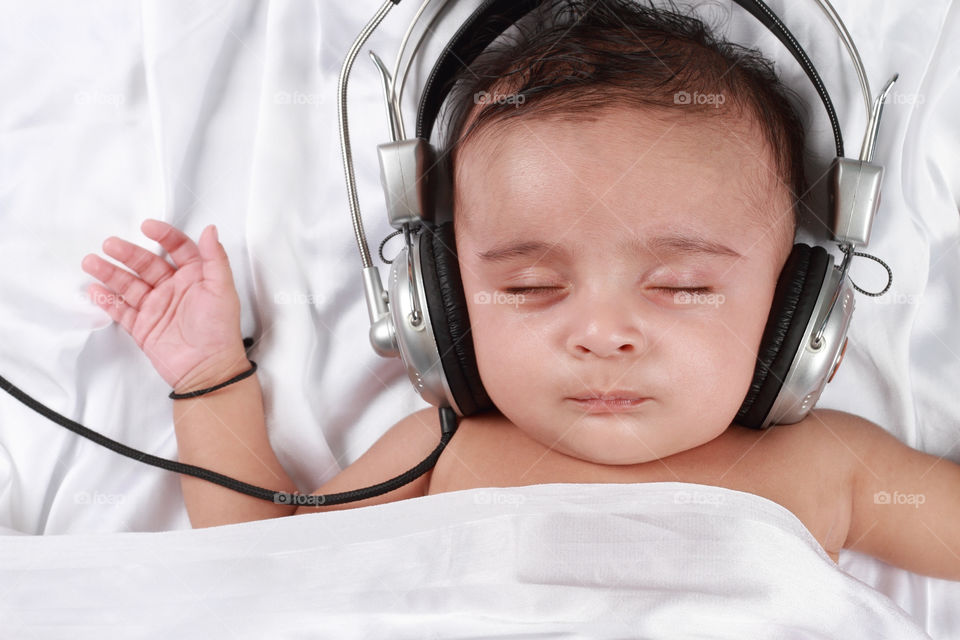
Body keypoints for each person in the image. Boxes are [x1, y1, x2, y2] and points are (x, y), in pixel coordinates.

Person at [80, 0, 959, 580]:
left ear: (799, 312)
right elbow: (255, 569)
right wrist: (208, 375)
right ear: (442, 309)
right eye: (532, 285)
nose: (604, 333)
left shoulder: (829, 467)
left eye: (685, 286)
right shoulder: (444, 450)